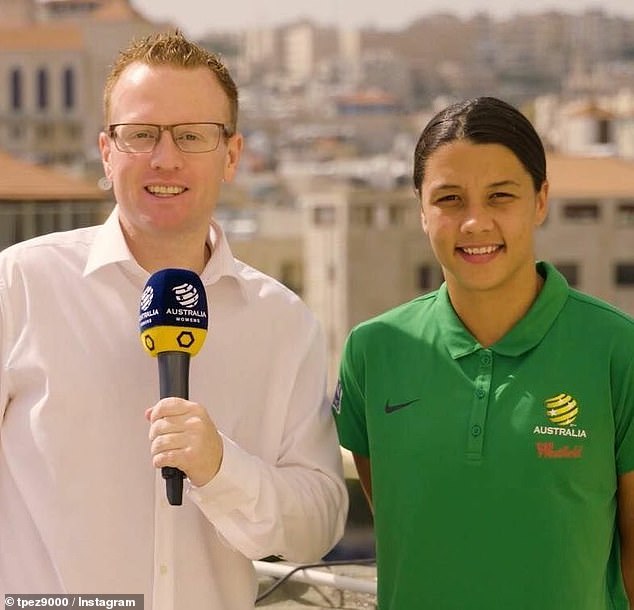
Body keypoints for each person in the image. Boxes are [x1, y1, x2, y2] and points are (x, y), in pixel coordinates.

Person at [0, 31, 347, 609]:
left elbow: (319, 524)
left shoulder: (282, 322)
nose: (166, 158)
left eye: (192, 136)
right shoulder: (21, 285)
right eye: (140, 135)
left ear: (232, 155)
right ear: (106, 153)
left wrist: (220, 468)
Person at [333, 96, 634, 609]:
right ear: (421, 210)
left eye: (500, 196)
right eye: (449, 199)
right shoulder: (373, 351)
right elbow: (406, 528)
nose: (475, 223)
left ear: (540, 201)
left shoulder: (616, 349)